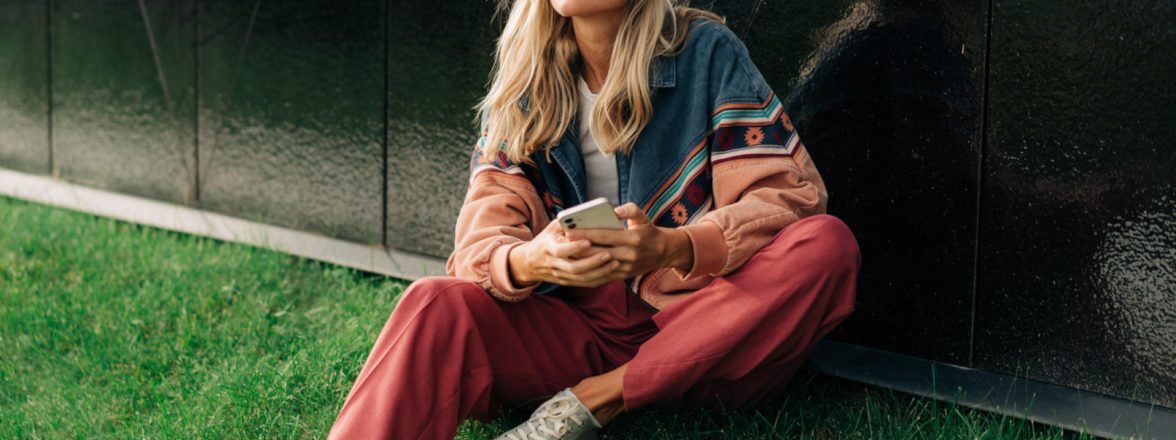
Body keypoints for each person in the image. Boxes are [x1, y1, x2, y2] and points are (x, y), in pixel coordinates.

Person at [329, 0, 859, 438]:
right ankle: (612, 386)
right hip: (577, 329)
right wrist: (532, 258)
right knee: (433, 301)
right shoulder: (526, 77)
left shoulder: (704, 52)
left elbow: (790, 197)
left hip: (707, 323)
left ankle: (599, 399)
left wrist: (673, 248)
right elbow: (477, 249)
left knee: (825, 245)